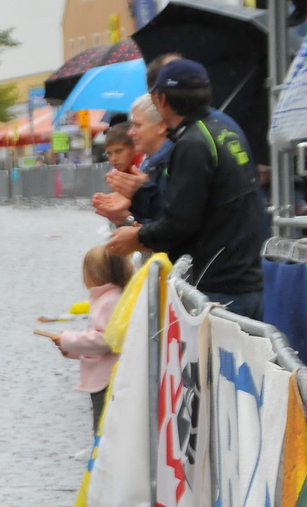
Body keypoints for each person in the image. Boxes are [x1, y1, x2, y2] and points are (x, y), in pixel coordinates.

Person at [107, 59, 267, 319]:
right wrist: (144, 194)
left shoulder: (193, 143)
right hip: (246, 278)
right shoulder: (224, 129)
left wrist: (137, 238)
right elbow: (207, 204)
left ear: (161, 100)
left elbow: (181, 221)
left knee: (208, 361)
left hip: (217, 287)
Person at [37, 246, 132, 437]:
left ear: (95, 274)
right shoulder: (106, 299)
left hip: (106, 379)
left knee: (103, 429)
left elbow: (105, 340)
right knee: (101, 426)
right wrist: (69, 348)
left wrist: (67, 340)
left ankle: (100, 463)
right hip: (102, 376)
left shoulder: (109, 301)